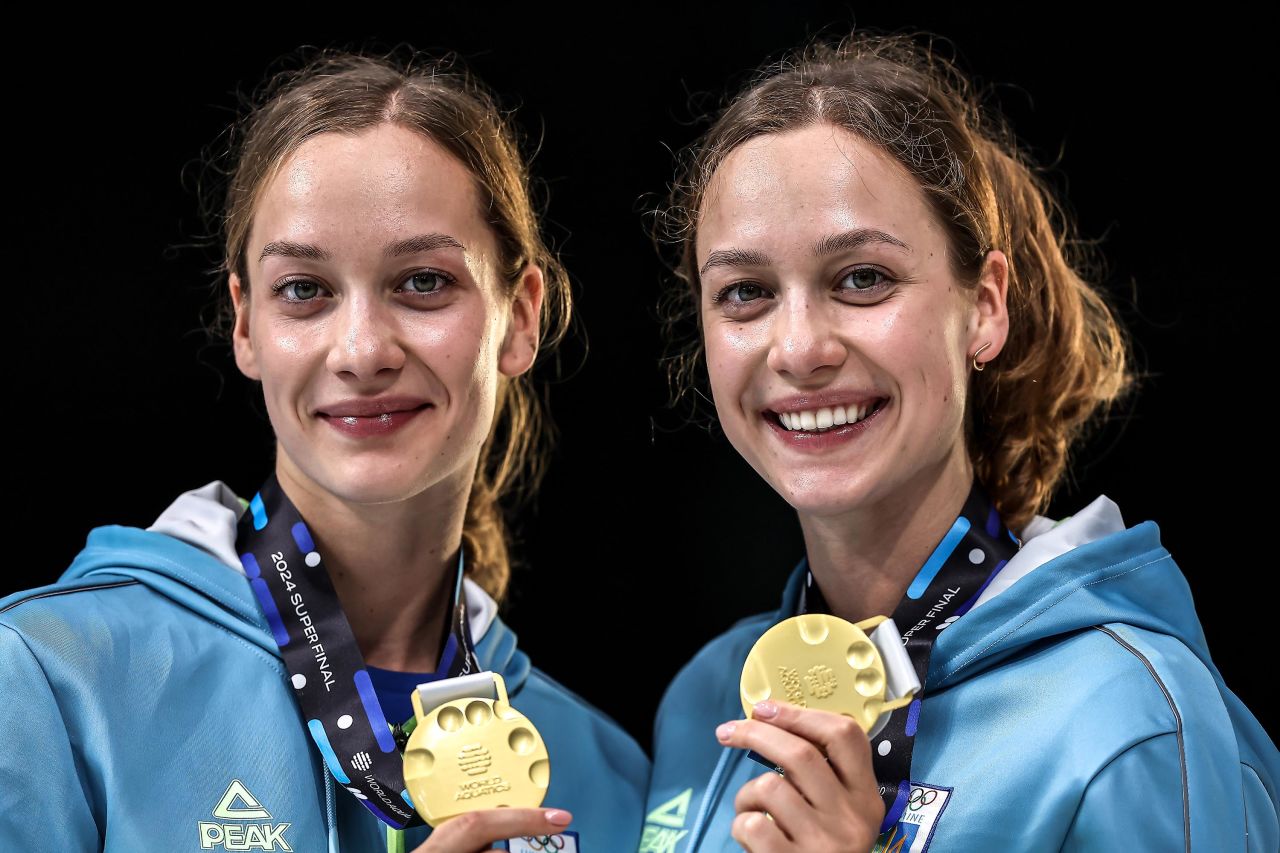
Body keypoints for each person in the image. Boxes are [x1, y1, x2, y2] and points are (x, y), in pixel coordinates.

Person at [641, 31, 1278, 852]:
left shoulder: (1132, 718)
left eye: (862, 278)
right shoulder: (706, 705)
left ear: (984, 307)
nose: (798, 348)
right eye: (745, 292)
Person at [0, 48, 648, 852]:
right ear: (245, 325)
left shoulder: (605, 774)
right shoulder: (50, 677)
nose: (362, 350)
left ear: (520, 316)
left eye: (423, 282)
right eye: (305, 290)